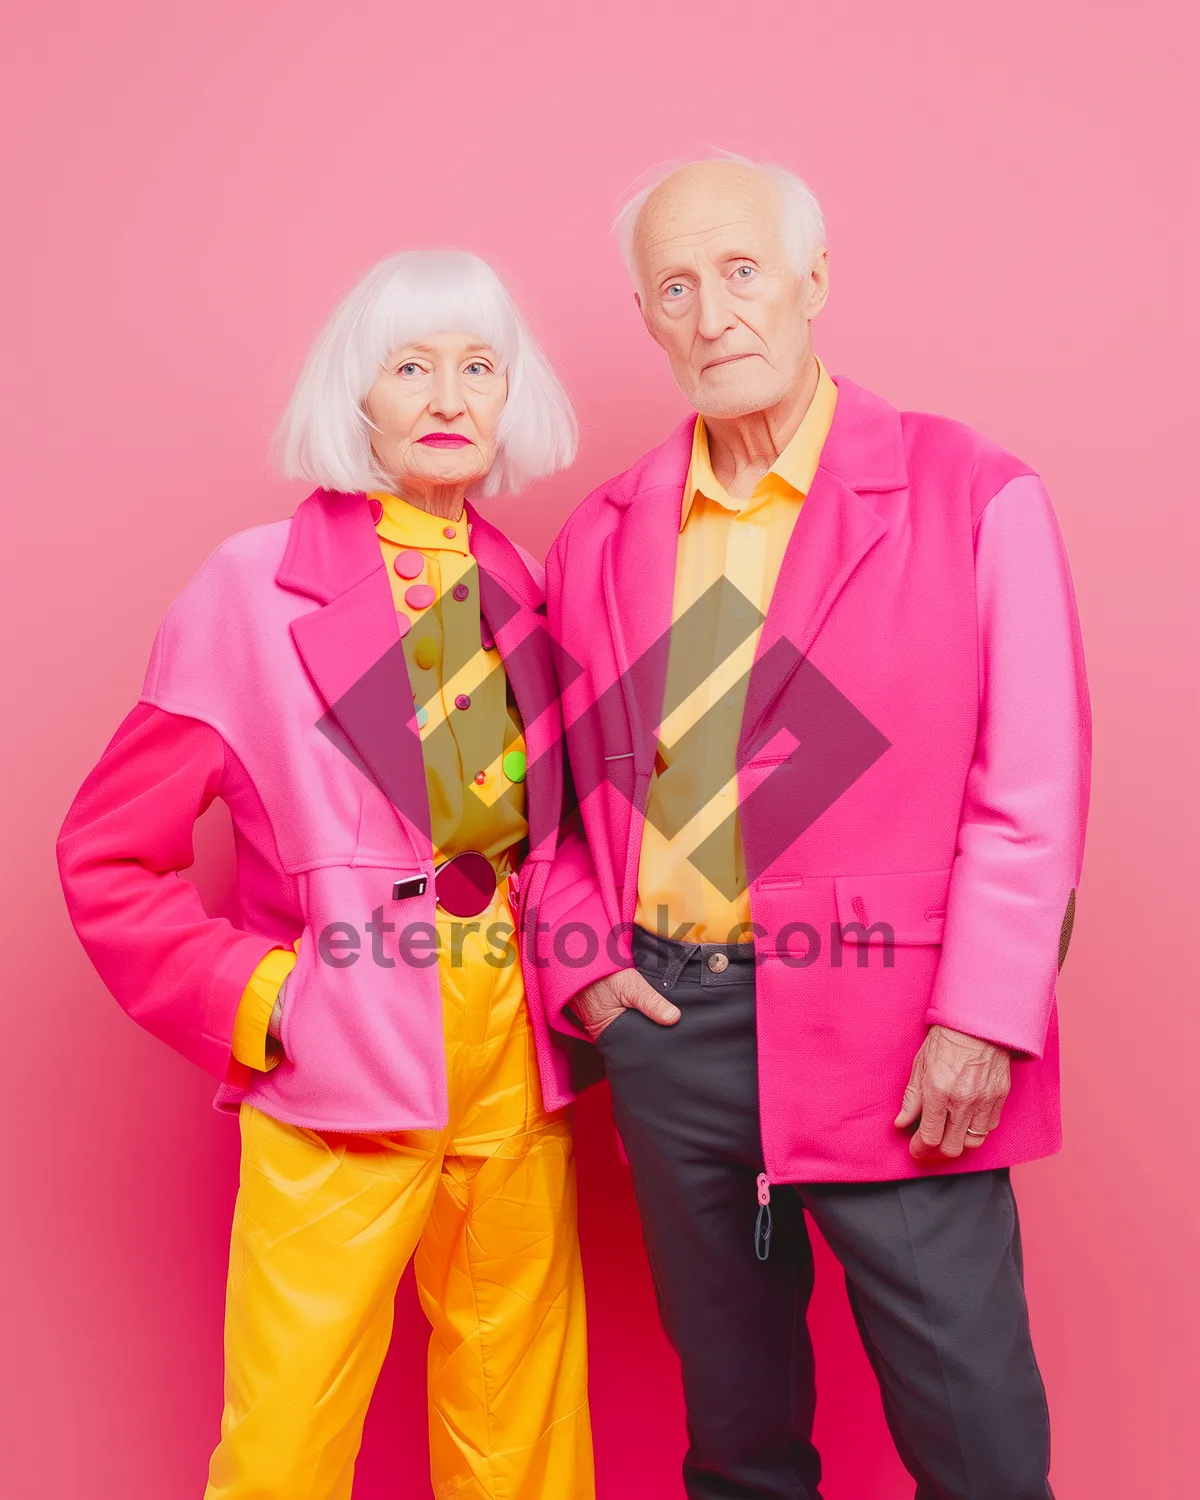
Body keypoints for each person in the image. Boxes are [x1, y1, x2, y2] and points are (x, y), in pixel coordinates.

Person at [539, 157, 1090, 1499]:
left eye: (742, 271)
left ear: (813, 283)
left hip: (899, 1032)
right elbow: (547, 811)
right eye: (678, 287)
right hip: (672, 1032)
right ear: (648, 319)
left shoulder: (972, 490)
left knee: (977, 1437)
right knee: (736, 1433)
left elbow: (1033, 784)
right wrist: (582, 970)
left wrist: (981, 1019)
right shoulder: (598, 538)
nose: (715, 311)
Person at [57, 250, 597, 1499]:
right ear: (357, 394)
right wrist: (268, 1000)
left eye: (478, 367)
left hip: (517, 1063)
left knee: (519, 1429)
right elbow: (106, 853)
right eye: (412, 367)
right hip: (343, 1056)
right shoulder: (248, 588)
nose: (449, 396)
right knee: (291, 1431)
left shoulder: (526, 586)